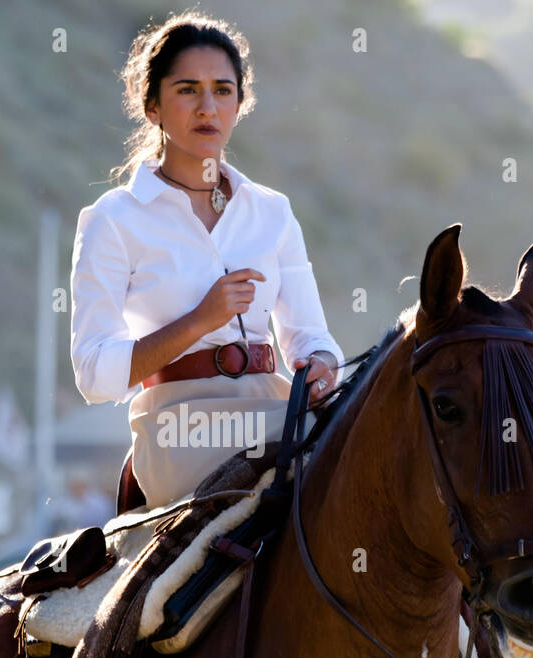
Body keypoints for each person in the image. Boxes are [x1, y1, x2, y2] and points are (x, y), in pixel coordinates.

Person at [69, 12, 343, 509]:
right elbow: (94, 373)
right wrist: (199, 321)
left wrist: (323, 365)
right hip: (179, 428)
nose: (207, 107)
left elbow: (310, 337)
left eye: (222, 90)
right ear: (152, 106)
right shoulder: (113, 219)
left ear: (240, 103)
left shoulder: (272, 212)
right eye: (187, 90)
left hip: (274, 413)